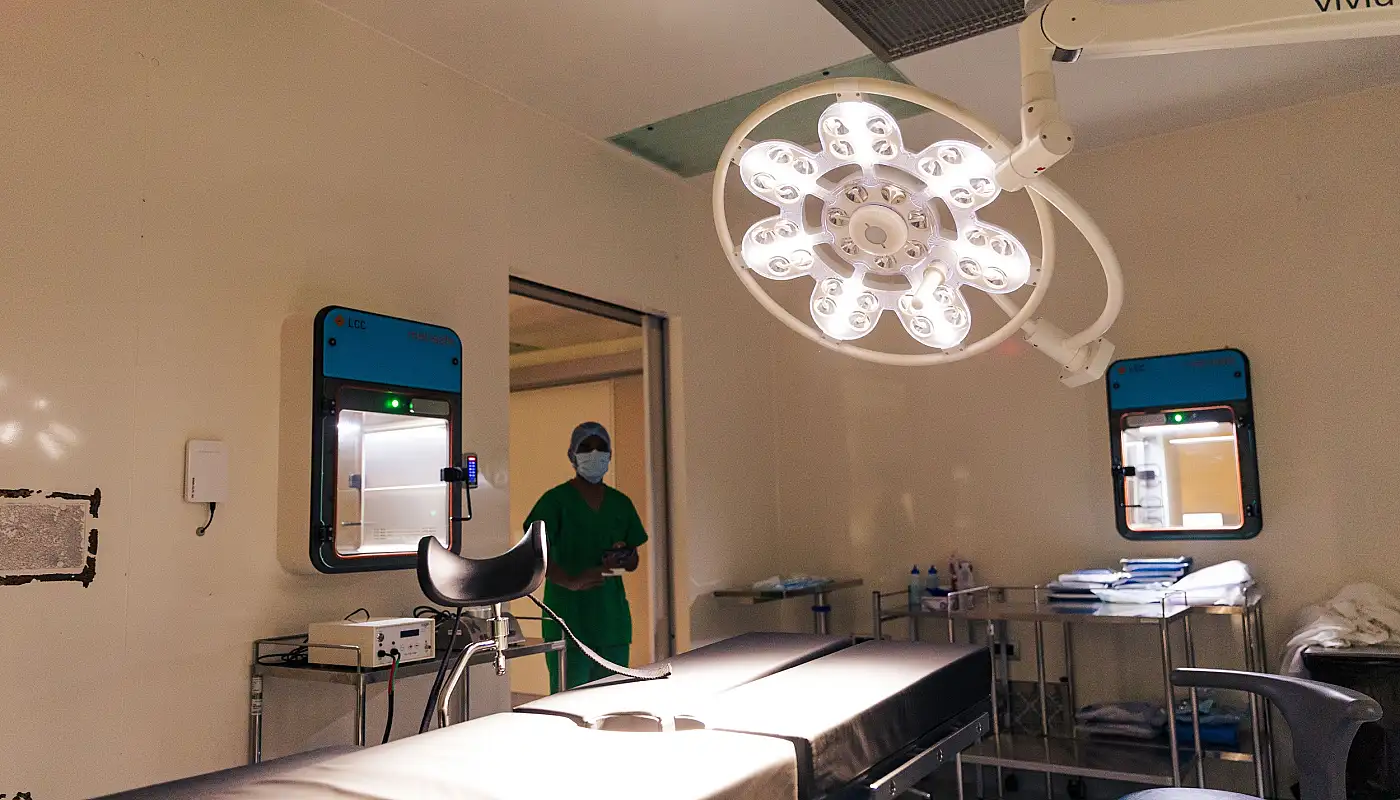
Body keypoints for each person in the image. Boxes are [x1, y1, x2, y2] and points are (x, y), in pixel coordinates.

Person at [525, 421, 647, 692]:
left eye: (600, 448)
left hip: (611, 619)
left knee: (613, 695)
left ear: (609, 455)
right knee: (570, 697)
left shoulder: (620, 503)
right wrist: (570, 581)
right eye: (586, 448)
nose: (594, 454)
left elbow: (634, 560)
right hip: (568, 617)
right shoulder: (555, 502)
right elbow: (533, 552)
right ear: (572, 455)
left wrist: (624, 557)